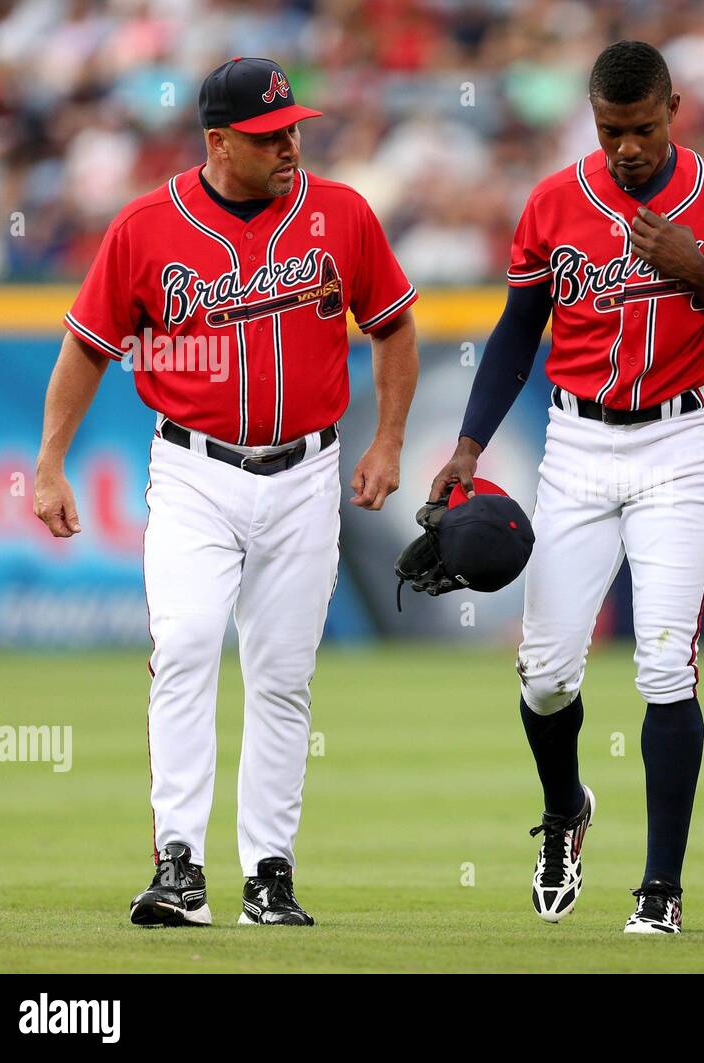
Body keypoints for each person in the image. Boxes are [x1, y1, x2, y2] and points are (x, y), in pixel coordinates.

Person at [33, 57, 420, 927]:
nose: (288, 144)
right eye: (267, 135)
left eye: (292, 129)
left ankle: (269, 874)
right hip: (193, 470)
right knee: (186, 644)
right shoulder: (144, 226)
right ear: (217, 141)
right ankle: (178, 863)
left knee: (282, 677)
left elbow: (393, 327)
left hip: (308, 470)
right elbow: (89, 346)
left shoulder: (341, 214)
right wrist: (51, 462)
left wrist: (389, 437)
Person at [429, 41, 704, 934]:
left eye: (643, 128)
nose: (626, 146)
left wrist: (697, 268)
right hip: (577, 444)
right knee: (545, 675)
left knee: (666, 665)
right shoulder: (554, 200)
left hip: (674, 442)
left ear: (674, 112)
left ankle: (660, 889)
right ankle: (565, 811)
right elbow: (516, 332)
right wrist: (470, 446)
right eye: (611, 128)